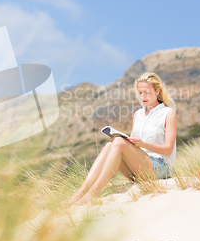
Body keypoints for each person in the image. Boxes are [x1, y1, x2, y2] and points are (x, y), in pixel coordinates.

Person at [63, 72, 177, 205]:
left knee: (118, 142)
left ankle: (94, 192)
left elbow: (168, 150)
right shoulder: (138, 114)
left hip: (159, 167)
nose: (143, 97)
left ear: (157, 91)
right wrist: (130, 141)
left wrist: (143, 144)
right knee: (110, 145)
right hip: (139, 168)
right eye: (140, 93)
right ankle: (81, 192)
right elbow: (134, 146)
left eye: (147, 92)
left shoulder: (168, 113)